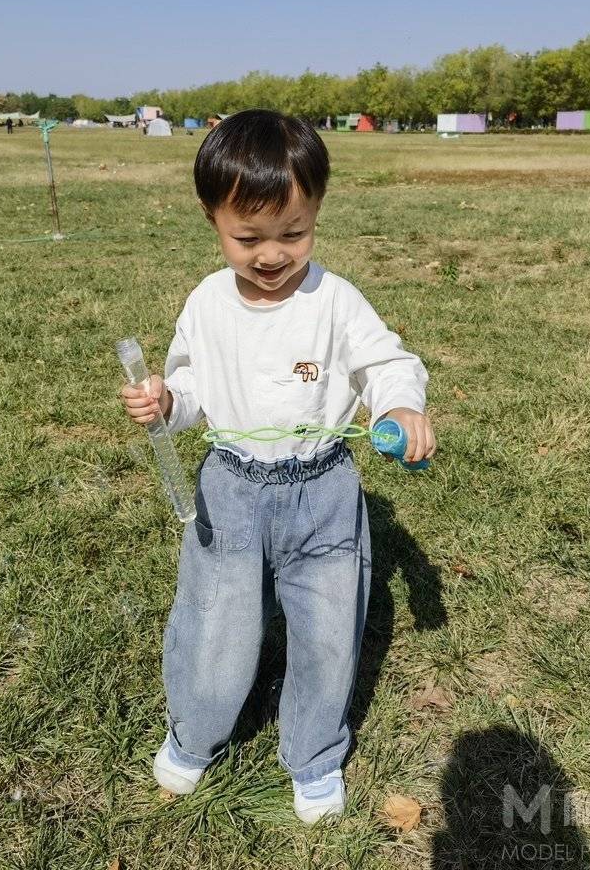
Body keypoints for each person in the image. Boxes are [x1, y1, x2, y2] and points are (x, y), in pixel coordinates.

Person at [119, 109, 435, 823]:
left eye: (293, 233)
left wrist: (399, 407)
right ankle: (196, 734)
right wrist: (167, 403)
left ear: (317, 212)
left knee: (328, 626)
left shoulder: (335, 300)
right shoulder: (206, 305)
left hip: (323, 488)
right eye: (248, 237)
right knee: (217, 621)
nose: (271, 254)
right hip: (230, 487)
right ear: (212, 219)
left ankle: (315, 753)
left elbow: (388, 363)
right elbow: (193, 393)